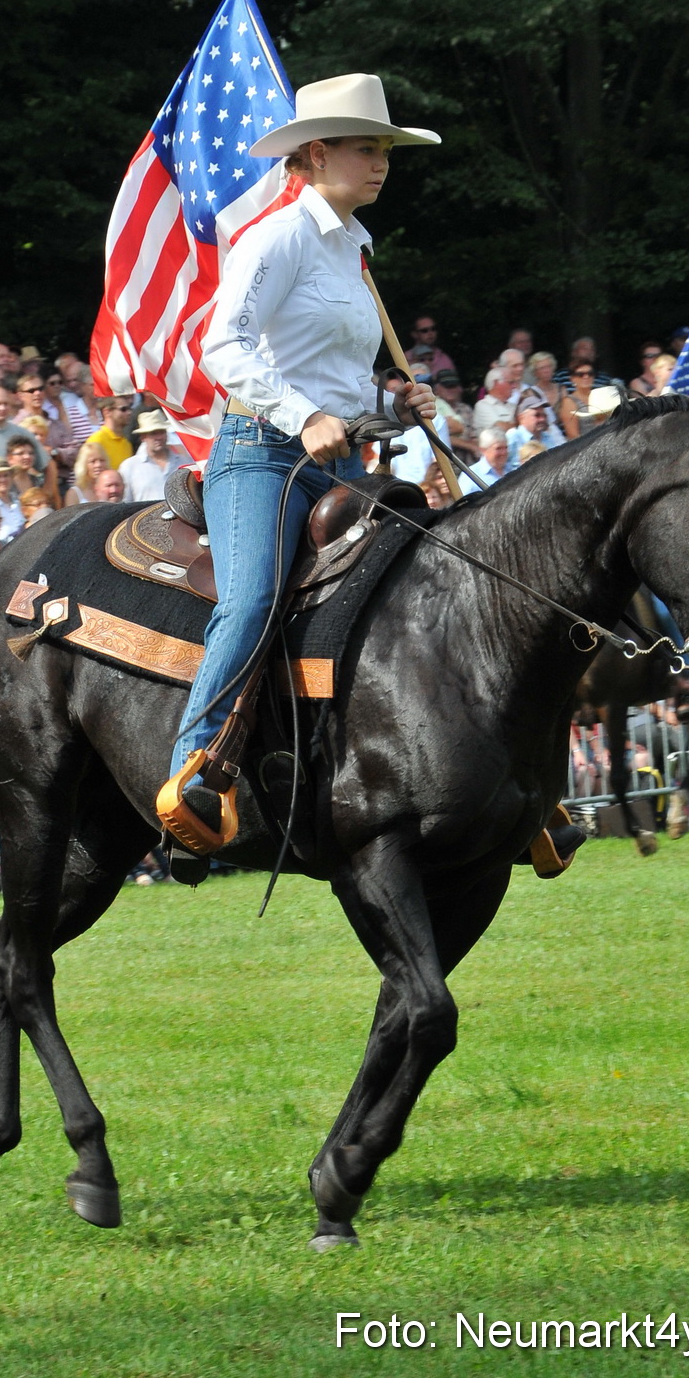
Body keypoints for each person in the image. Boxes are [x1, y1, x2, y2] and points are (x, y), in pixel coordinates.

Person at [162, 71, 440, 857]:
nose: (381, 162)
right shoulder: (278, 237)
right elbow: (222, 346)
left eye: (385, 149)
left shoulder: (356, 248)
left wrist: (391, 411)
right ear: (317, 155)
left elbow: (340, 388)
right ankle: (194, 768)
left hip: (337, 462)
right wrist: (303, 416)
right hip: (258, 455)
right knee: (250, 601)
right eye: (365, 148)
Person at [118, 410, 190, 500]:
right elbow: (125, 501)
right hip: (145, 513)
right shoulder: (129, 467)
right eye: (153, 433)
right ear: (143, 437)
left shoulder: (184, 462)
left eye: (161, 432)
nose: (159, 437)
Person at [506, 391, 565, 465]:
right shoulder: (513, 436)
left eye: (544, 415)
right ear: (521, 418)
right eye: (537, 415)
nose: (542, 419)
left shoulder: (547, 437)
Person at [85, 396, 136, 472]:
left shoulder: (126, 443)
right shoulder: (96, 441)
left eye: (129, 408)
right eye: (123, 409)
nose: (129, 412)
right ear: (107, 412)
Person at [459, 428, 511, 495]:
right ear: (483, 450)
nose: (504, 453)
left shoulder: (513, 469)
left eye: (506, 448)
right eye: (498, 448)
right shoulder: (471, 476)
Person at [66, 439, 111, 504]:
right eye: (93, 461)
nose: (98, 465)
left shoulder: (111, 489)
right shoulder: (74, 493)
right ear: (83, 464)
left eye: (102, 460)